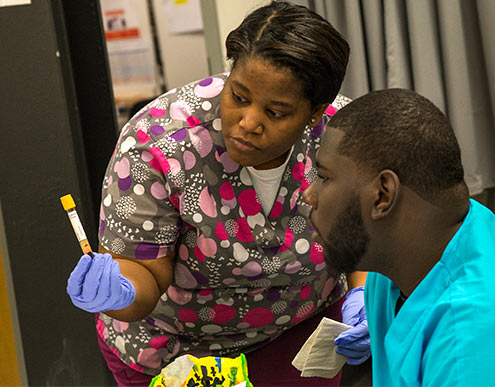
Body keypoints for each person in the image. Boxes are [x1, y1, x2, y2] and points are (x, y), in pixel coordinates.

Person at [65, 2, 371, 385]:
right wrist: (119, 293)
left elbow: (365, 232)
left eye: (275, 112)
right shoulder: (157, 144)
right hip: (178, 354)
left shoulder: (343, 136)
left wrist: (363, 295)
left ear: (314, 113)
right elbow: (145, 273)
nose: (248, 122)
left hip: (296, 342)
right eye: (239, 97)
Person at [303, 88, 495, 386]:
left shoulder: (477, 343)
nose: (309, 195)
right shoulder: (398, 264)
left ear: (382, 195)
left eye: (324, 177)